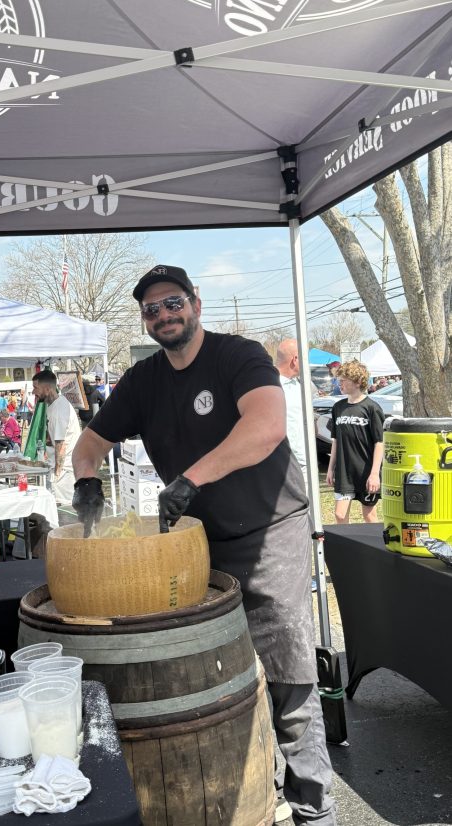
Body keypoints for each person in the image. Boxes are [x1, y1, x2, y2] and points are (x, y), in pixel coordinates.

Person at [71, 265, 336, 826]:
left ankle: (315, 810)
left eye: (173, 303)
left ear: (196, 303)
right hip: (196, 546)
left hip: (271, 534)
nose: (164, 315)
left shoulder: (238, 355)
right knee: (218, 677)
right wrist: (86, 478)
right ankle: (252, 798)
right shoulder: (142, 380)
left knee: (289, 677)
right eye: (152, 309)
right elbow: (90, 440)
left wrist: (192, 478)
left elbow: (265, 425)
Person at [326, 360, 384, 524]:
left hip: (366, 471)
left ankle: (377, 549)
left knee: (369, 516)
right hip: (344, 472)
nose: (340, 383)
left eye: (344, 380)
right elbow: (335, 440)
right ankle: (346, 549)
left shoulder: (372, 408)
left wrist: (374, 474)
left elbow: (379, 443)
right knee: (340, 515)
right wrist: (331, 469)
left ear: (358, 382)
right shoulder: (338, 407)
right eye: (339, 380)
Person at [32, 370, 81, 506]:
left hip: (65, 472)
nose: (33, 392)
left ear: (47, 389)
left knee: (66, 511)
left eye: (36, 388)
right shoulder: (54, 406)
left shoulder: (59, 409)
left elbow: (61, 444)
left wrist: (57, 473)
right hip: (61, 469)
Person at [275, 339, 317, 492]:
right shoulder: (271, 386)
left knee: (308, 509)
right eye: (305, 358)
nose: (307, 363)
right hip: (282, 463)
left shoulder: (302, 385)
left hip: (305, 461)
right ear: (295, 359)